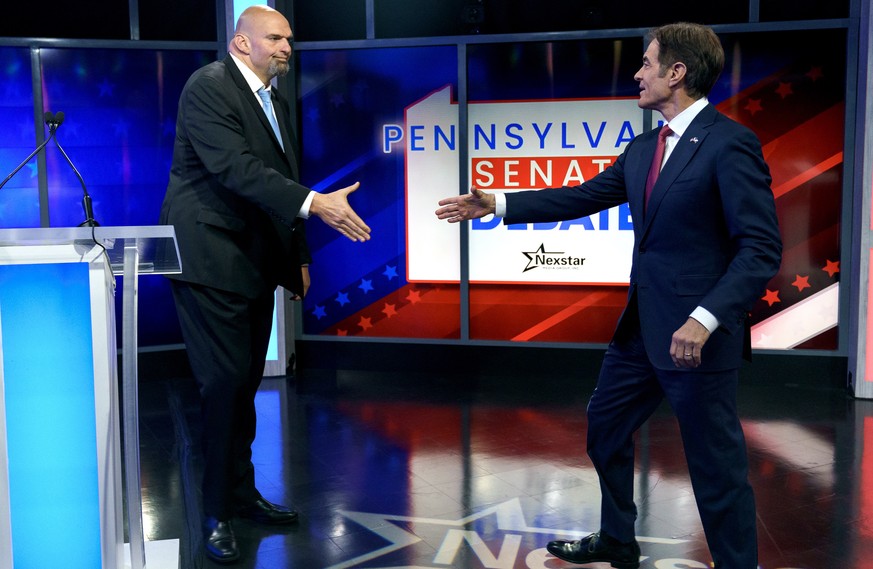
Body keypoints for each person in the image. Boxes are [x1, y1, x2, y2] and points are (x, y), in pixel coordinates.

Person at [435, 22, 781, 569]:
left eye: (646, 63)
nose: (637, 73)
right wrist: (498, 203)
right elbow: (582, 196)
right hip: (641, 333)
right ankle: (618, 538)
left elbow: (760, 248)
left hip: (696, 339)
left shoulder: (729, 144)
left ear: (677, 72)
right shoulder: (644, 147)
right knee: (605, 429)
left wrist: (705, 318)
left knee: (716, 468)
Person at [160, 5, 371, 564]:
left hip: (253, 264)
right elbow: (234, 169)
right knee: (224, 386)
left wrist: (297, 254)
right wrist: (314, 206)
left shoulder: (274, 101)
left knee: (244, 386)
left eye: (289, 39)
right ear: (240, 43)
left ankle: (241, 494)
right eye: (275, 38)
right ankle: (214, 513)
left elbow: (283, 180)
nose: (286, 47)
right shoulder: (209, 87)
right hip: (210, 264)